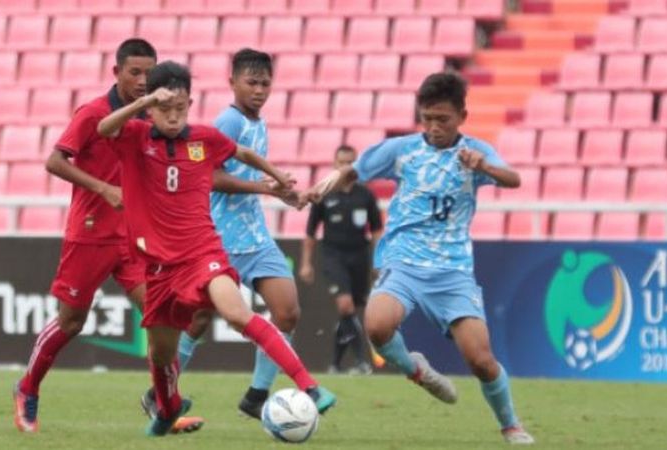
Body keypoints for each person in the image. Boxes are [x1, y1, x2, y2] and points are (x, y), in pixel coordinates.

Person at [97, 61, 336, 436]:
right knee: (160, 356)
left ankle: (310, 385)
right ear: (150, 108)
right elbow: (103, 128)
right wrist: (140, 105)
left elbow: (242, 154)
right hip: (159, 268)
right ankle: (166, 408)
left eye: (180, 108)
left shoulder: (204, 138)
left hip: (203, 253)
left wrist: (277, 180)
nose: (173, 117)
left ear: (190, 103)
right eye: (164, 109)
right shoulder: (135, 138)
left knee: (238, 313)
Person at [303, 72, 535, 445]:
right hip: (404, 263)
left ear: (462, 115)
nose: (433, 127)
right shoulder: (403, 150)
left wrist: (483, 167)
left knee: (480, 360)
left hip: (452, 272)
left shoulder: (475, 151)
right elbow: (353, 171)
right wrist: (321, 186)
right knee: (376, 326)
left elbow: (513, 179)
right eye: (426, 118)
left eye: (442, 119)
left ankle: (510, 424)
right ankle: (417, 371)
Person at [12, 38, 202, 434]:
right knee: (71, 322)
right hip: (91, 233)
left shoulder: (155, 118)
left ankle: (164, 406)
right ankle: (27, 388)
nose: (142, 80)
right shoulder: (94, 113)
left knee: (162, 320)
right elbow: (54, 161)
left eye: (149, 72)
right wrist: (102, 188)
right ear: (116, 72)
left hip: (136, 239)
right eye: (134, 72)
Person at [140, 48, 306, 421]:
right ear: (232, 82)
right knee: (197, 320)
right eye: (251, 83)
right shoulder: (227, 123)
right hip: (219, 237)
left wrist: (289, 193)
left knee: (288, 311)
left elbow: (255, 178)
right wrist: (263, 189)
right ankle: (158, 393)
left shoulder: (257, 122)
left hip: (256, 236)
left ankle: (257, 395)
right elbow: (208, 177)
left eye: (265, 83)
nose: (259, 90)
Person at [299, 145, 383, 375]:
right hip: (333, 256)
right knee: (345, 305)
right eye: (341, 162)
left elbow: (376, 230)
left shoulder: (366, 195)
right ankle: (361, 361)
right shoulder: (325, 195)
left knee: (349, 312)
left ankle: (335, 365)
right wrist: (306, 263)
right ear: (334, 165)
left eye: (350, 162)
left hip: (359, 257)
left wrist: (379, 260)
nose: (346, 167)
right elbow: (310, 233)